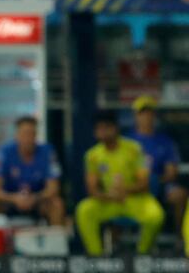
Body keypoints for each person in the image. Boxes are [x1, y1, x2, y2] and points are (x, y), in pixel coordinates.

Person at [75, 111, 164, 256]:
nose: (102, 132)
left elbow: (144, 183)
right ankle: (96, 256)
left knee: (155, 215)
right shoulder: (92, 155)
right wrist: (107, 195)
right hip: (109, 201)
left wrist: (125, 190)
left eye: (106, 128)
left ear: (115, 128)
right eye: (98, 129)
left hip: (134, 199)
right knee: (84, 210)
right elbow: (92, 189)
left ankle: (141, 253)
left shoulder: (134, 148)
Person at [126, 95, 188, 251]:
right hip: (133, 187)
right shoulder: (127, 141)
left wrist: (153, 181)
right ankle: (114, 248)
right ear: (135, 116)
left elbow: (171, 172)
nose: (146, 117)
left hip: (160, 184)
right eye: (142, 113)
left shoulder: (164, 140)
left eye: (149, 113)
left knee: (179, 194)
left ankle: (180, 238)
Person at [0, 116, 65, 225]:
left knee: (57, 205)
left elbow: (53, 188)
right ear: (16, 135)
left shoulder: (47, 152)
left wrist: (34, 198)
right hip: (10, 201)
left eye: (31, 134)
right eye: (24, 134)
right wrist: (14, 199)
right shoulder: (4, 153)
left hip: (37, 201)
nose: (28, 138)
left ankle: (54, 240)